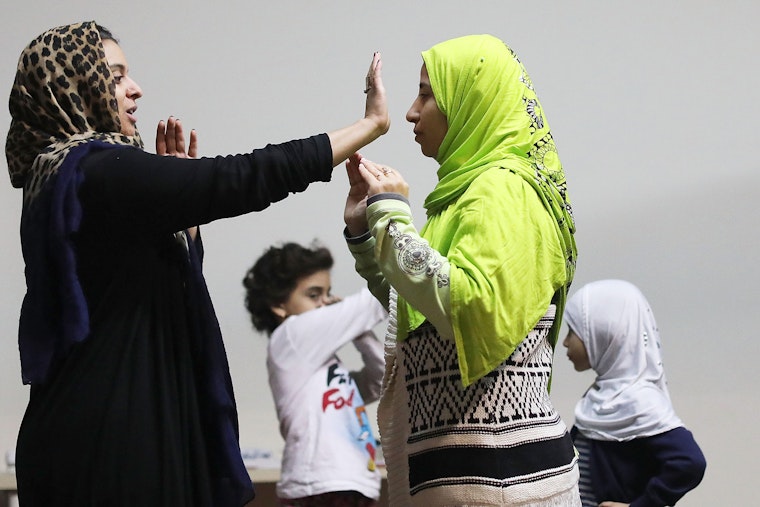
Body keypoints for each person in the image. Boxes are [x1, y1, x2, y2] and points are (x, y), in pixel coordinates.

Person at [5, 20, 388, 507]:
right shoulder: (93, 170)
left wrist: (182, 227)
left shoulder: (64, 177)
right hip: (105, 442)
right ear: (74, 87)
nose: (135, 89)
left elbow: (138, 284)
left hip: (99, 428)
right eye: (116, 75)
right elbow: (239, 178)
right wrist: (368, 126)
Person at [343, 34, 580, 506]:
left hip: (505, 484)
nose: (411, 111)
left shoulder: (504, 191)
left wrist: (392, 217)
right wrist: (367, 237)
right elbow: (416, 310)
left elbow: (468, 307)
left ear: (471, 100)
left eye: (427, 94)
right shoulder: (460, 199)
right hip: (466, 476)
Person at [242, 242, 387, 507]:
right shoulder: (290, 338)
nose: (325, 303)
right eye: (313, 294)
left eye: (327, 294)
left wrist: (359, 332)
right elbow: (371, 304)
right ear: (278, 304)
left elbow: (382, 380)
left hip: (352, 484)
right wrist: (404, 271)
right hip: (319, 486)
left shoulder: (323, 368)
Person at [562, 279, 706, 507]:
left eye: (573, 331)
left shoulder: (639, 401)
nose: (565, 342)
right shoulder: (599, 397)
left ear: (603, 331)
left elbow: (690, 462)